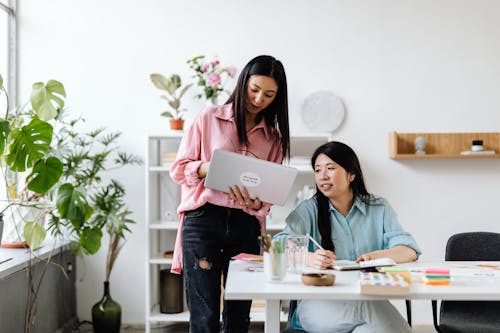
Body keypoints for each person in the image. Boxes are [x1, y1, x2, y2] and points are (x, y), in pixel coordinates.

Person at [169, 55, 290, 333]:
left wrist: (258, 202)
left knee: (238, 318)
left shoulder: (273, 139)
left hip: (245, 226)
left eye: (269, 94)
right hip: (202, 221)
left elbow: (268, 194)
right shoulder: (207, 118)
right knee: (204, 315)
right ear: (243, 83)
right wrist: (206, 168)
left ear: (277, 98)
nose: (259, 99)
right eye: (254, 89)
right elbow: (178, 170)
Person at [275, 141, 421, 333]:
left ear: (351, 174)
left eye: (330, 168)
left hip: (365, 299)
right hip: (317, 306)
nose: (322, 176)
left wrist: (376, 256)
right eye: (317, 170)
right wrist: (309, 258)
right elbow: (278, 245)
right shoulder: (308, 210)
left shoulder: (378, 208)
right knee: (368, 306)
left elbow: (408, 250)